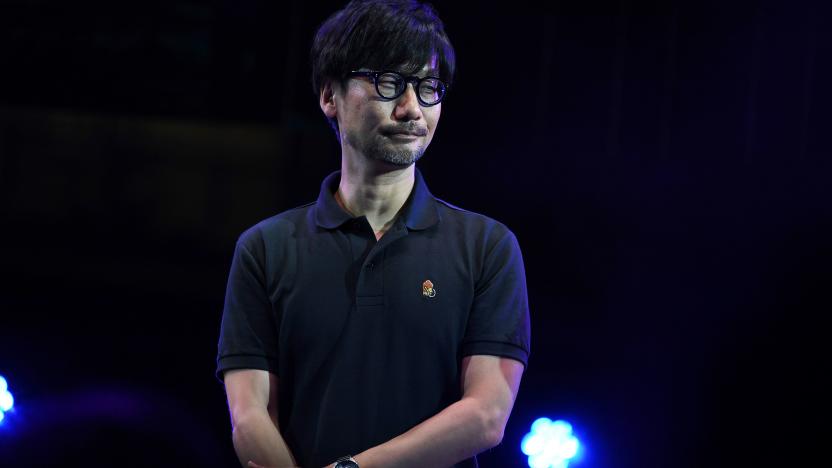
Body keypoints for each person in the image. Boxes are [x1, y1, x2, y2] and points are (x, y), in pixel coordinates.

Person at [216, 1, 531, 467]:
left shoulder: (487, 247)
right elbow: (249, 414)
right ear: (330, 95)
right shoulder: (266, 248)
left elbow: (486, 414)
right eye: (389, 83)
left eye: (428, 88)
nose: (411, 109)